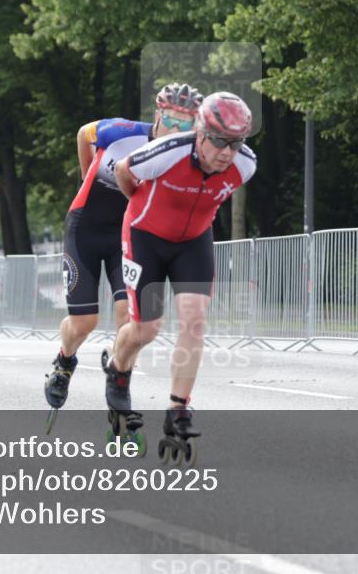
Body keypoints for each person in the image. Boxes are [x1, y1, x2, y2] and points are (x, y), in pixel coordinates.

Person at [108, 92, 256, 457]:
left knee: (194, 322)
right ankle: (117, 368)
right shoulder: (169, 150)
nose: (226, 151)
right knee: (146, 328)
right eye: (219, 140)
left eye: (235, 143)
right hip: (146, 236)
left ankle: (178, 407)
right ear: (201, 132)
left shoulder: (245, 165)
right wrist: (140, 206)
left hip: (193, 242)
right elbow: (123, 171)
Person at [44, 83, 204, 411]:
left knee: (127, 316)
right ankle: (64, 362)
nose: (177, 129)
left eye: (186, 124)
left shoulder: (185, 157)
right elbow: (82, 133)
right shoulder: (123, 132)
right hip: (85, 228)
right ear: (157, 115)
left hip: (126, 236)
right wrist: (88, 171)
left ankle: (119, 376)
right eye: (171, 120)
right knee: (83, 323)